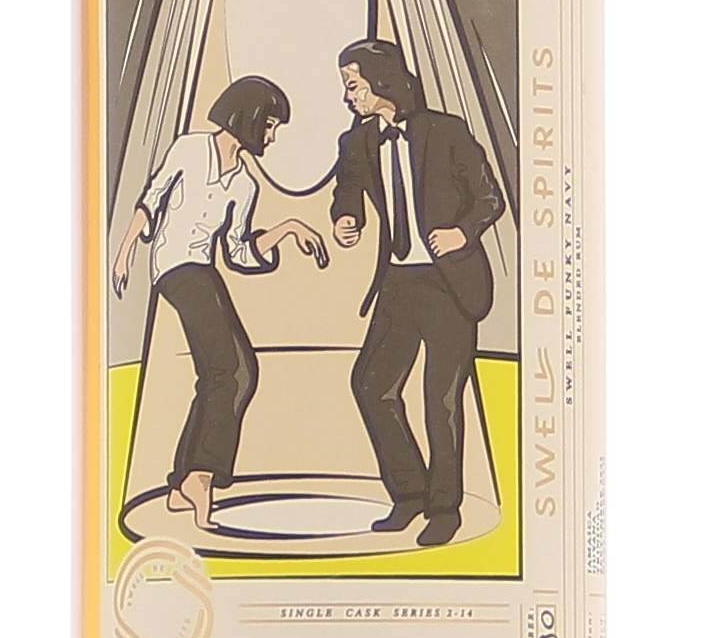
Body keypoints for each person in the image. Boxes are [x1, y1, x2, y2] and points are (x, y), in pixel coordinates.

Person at [112, 76, 330, 530]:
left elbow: (239, 253)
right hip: (175, 266)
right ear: (247, 117)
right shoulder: (190, 149)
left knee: (225, 372)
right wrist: (126, 249)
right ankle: (200, 477)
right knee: (232, 371)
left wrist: (288, 229)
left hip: (203, 270)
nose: (272, 136)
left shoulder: (245, 185)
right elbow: (151, 198)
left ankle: (183, 483)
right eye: (269, 125)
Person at [331, 39, 504, 547]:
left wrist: (461, 234)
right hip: (398, 282)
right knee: (371, 386)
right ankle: (409, 494)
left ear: (382, 81)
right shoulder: (358, 141)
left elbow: (489, 198)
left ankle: (444, 509)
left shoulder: (446, 132)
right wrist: (346, 217)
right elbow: (348, 188)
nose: (348, 97)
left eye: (353, 86)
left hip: (450, 283)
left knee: (440, 399)